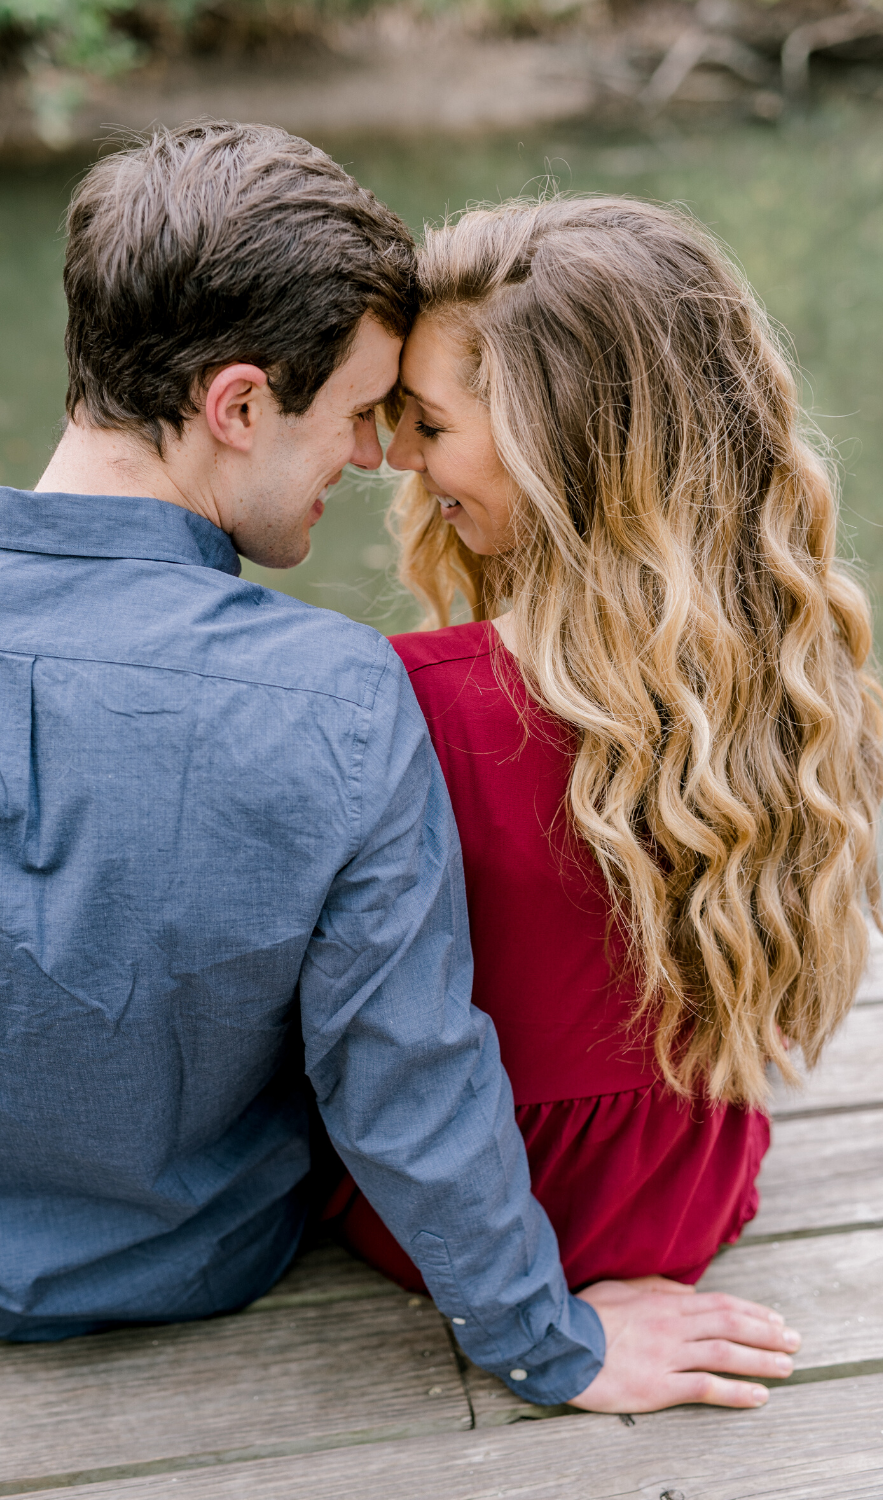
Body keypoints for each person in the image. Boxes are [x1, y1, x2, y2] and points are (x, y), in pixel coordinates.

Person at [0, 130, 798, 1415]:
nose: (377, 460)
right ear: (241, 405)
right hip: (207, 1257)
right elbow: (404, 1070)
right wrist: (551, 1346)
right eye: (362, 413)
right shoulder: (334, 694)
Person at [331, 195, 883, 1384]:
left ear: (552, 441)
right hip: (686, 1200)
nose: (406, 460)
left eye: (429, 423)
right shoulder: (793, 669)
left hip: (472, 1220)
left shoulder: (406, 702)